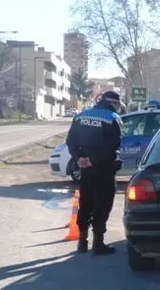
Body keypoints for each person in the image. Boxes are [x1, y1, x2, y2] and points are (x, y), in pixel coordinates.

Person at [66, 91, 124, 255]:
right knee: (102, 203)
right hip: (104, 168)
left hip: (85, 168)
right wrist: (95, 160)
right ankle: (98, 243)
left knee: (85, 201)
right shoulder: (113, 118)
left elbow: (70, 141)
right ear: (112, 103)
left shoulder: (80, 117)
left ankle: (82, 242)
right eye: (117, 105)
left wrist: (79, 159)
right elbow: (112, 146)